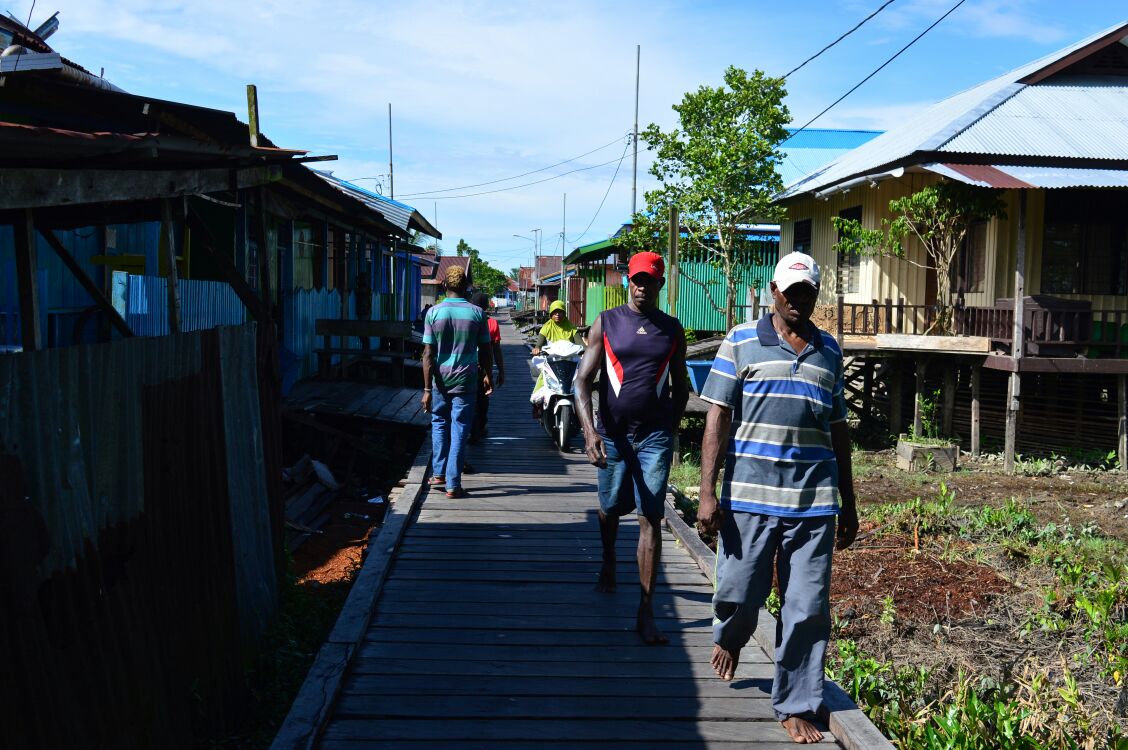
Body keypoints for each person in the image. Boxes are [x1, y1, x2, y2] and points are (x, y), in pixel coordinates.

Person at [695, 251, 859, 744]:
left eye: (807, 291)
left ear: (815, 295)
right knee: (739, 591)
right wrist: (706, 493)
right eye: (791, 292)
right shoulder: (741, 341)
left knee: (807, 607)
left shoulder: (829, 350)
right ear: (774, 292)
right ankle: (731, 633)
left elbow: (838, 430)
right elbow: (717, 417)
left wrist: (848, 502)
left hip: (813, 503)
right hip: (749, 497)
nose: (798, 300)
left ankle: (795, 703)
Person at [575, 251, 689, 644]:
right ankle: (608, 559)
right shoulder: (606, 322)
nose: (643, 286)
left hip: (653, 437)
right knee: (608, 509)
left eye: (650, 281)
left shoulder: (672, 329)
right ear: (628, 281)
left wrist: (669, 428)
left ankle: (646, 610)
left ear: (660, 284)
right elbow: (581, 382)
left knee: (650, 516)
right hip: (613, 434)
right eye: (637, 279)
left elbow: (682, 385)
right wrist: (590, 431)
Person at [420, 267, 492, 499]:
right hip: (466, 379)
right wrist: (488, 373)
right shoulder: (477, 313)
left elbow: (428, 354)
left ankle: (439, 473)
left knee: (440, 423)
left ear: (444, 286)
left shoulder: (433, 313)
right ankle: (453, 483)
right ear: (467, 287)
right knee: (460, 428)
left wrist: (427, 389)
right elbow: (486, 349)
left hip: (439, 379)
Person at [530, 299, 583, 417]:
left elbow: (581, 344)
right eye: (554, 312)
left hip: (569, 361)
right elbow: (539, 344)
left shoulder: (570, 327)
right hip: (552, 361)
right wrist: (537, 349)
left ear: (565, 313)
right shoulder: (547, 327)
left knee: (582, 380)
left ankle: (583, 406)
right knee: (542, 378)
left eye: (560, 312)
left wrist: (586, 349)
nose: (557, 314)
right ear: (551, 314)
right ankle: (537, 405)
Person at [470, 292, 505, 443]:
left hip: (467, 366)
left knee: (469, 400)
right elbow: (496, 349)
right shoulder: (492, 323)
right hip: (484, 367)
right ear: (486, 307)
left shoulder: (467, 320)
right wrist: (501, 370)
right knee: (482, 399)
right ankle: (481, 426)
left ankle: (473, 430)